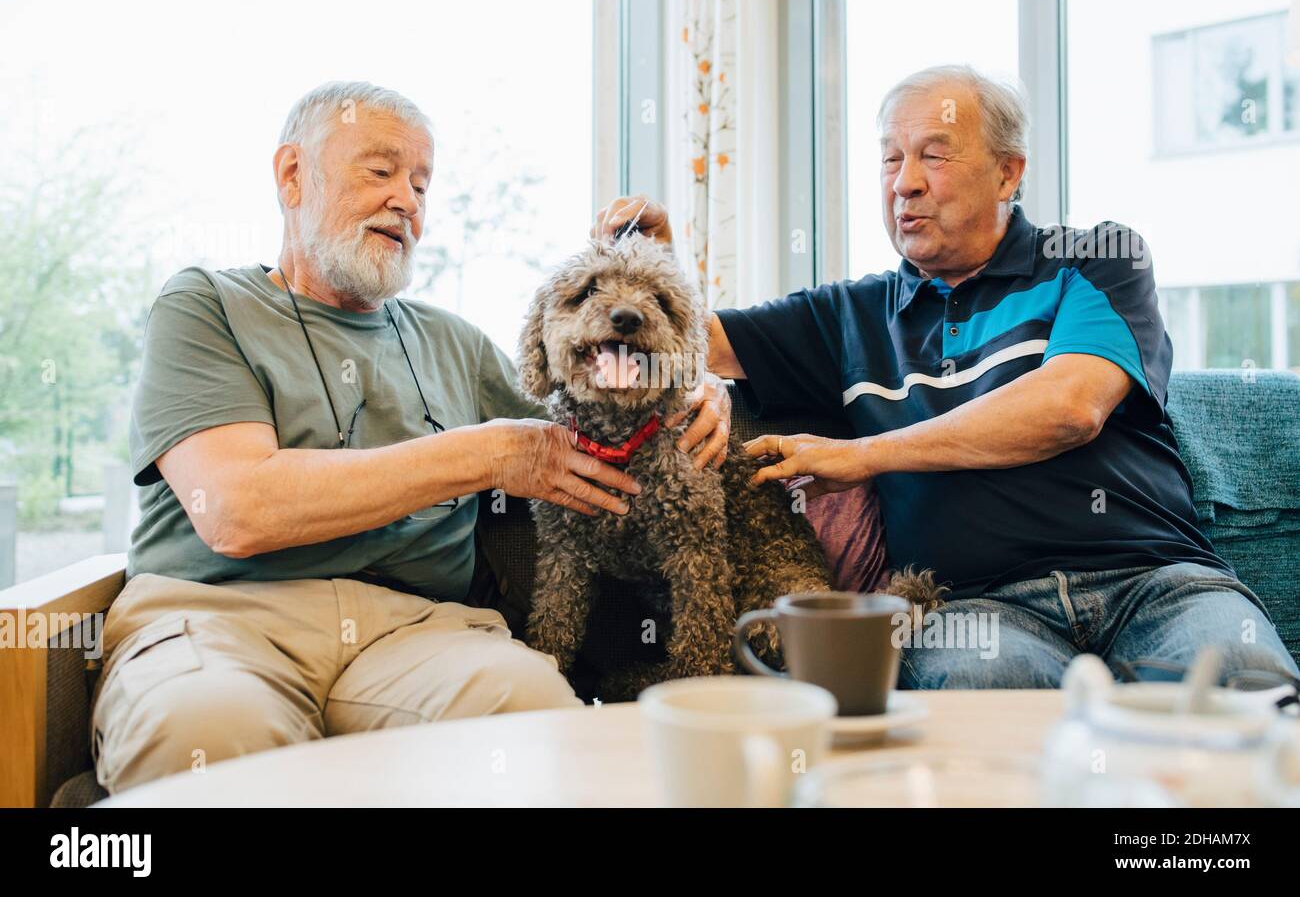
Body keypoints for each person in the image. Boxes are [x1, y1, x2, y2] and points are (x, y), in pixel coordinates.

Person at [92, 81, 731, 793]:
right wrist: (484, 453)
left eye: (422, 185)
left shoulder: (453, 343)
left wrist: (693, 378)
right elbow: (239, 510)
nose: (407, 200)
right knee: (206, 732)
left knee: (532, 713)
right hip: (223, 620)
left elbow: (594, 404)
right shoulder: (208, 306)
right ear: (293, 175)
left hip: (418, 632)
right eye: (381, 171)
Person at [593, 65, 1300, 690]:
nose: (905, 182)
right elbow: (685, 343)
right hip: (979, 606)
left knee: (1245, 689)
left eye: (933, 154)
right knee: (977, 701)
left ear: (1008, 172)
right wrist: (653, 260)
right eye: (891, 159)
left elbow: (1071, 406)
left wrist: (865, 455)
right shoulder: (851, 314)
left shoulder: (1095, 260)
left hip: (1155, 580)